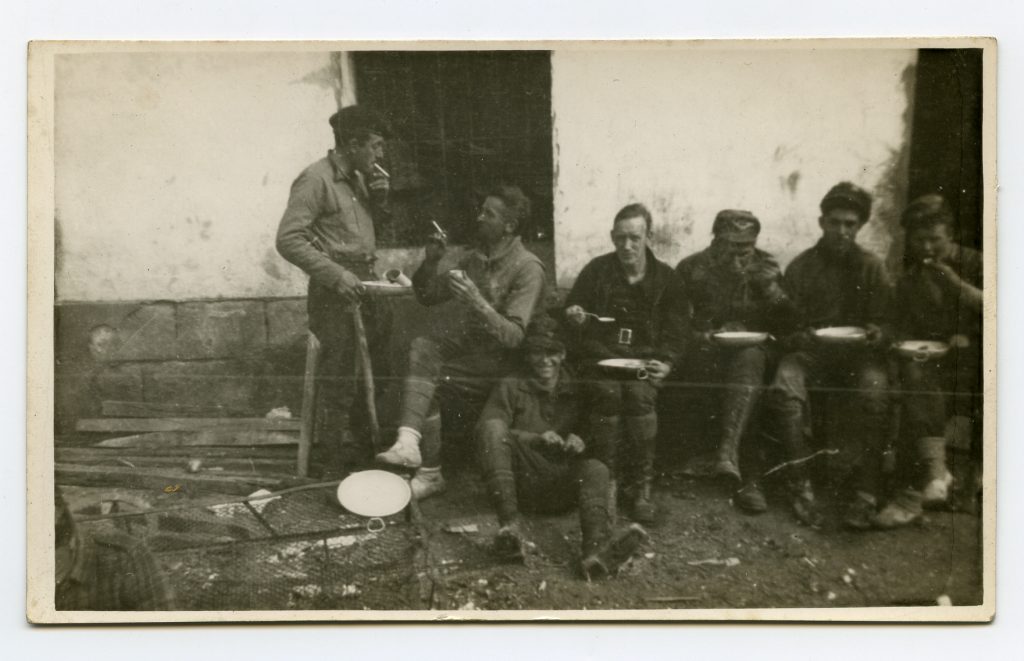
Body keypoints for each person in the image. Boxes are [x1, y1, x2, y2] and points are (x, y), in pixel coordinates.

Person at [375, 185, 547, 500]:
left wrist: (477, 300)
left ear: (509, 226)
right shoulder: (474, 260)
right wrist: (431, 261)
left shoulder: (527, 267)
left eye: (488, 214)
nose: (479, 217)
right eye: (481, 210)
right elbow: (427, 296)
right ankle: (408, 442)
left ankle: (430, 474)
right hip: (472, 353)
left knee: (432, 380)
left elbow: (513, 337)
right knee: (422, 348)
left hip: (507, 361)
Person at [476, 316, 648, 578]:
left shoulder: (580, 385)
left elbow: (600, 433)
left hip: (564, 487)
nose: (545, 360)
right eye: (537, 352)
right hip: (521, 483)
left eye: (552, 352)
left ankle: (595, 553)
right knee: (491, 428)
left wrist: (582, 440)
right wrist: (534, 438)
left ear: (563, 354)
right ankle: (510, 530)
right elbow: (488, 429)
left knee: (596, 468)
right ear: (527, 355)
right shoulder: (511, 384)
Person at [764, 182, 893, 529]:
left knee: (875, 392)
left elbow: (887, 324)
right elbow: (783, 330)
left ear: (860, 226)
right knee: (784, 385)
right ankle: (799, 482)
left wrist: (877, 334)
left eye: (850, 224)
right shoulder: (802, 268)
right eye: (834, 222)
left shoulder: (872, 267)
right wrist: (800, 336)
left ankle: (867, 492)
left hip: (859, 358)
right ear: (821, 222)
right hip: (812, 354)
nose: (841, 231)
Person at [276, 105, 394, 478]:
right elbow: (288, 239)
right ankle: (330, 467)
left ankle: (365, 454)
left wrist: (381, 201)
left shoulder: (360, 178)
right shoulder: (316, 180)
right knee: (340, 377)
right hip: (334, 289)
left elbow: (366, 233)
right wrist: (335, 274)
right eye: (375, 146)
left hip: (366, 283)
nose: (380, 154)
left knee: (372, 374)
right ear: (352, 143)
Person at [563, 203, 688, 524]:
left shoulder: (667, 280)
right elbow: (572, 315)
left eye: (634, 238)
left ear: (649, 236)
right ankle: (610, 482)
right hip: (599, 359)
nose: (627, 246)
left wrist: (668, 362)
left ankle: (641, 487)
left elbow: (676, 332)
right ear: (611, 237)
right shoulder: (596, 271)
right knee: (608, 394)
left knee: (640, 397)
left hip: (645, 363)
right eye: (620, 238)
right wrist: (575, 317)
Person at [674, 210, 797, 512]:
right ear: (716, 239)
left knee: (750, 360)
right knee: (739, 375)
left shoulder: (766, 267)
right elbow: (675, 324)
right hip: (704, 354)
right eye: (733, 244)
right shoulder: (692, 269)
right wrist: (705, 335)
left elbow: (789, 325)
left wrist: (771, 291)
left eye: (747, 245)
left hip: (756, 357)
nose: (741, 252)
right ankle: (740, 472)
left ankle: (729, 455)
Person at [875, 194, 983, 528]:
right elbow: (902, 323)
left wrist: (957, 286)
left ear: (950, 235)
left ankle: (963, 482)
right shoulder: (912, 278)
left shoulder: (977, 263)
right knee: (912, 374)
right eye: (920, 240)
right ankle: (929, 479)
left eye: (935, 239)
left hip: (983, 362)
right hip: (938, 364)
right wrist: (892, 337)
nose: (927, 247)